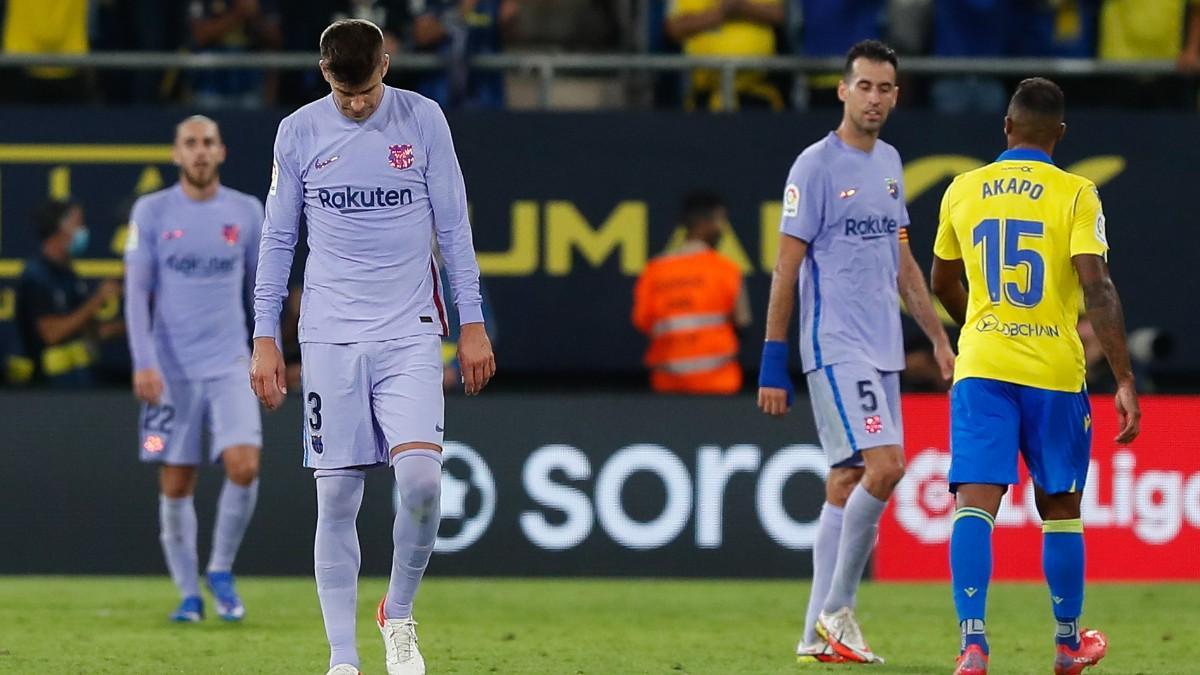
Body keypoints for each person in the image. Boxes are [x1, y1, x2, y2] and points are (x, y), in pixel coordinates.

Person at [249, 19, 495, 675]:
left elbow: (454, 225)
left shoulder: (424, 120)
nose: (356, 103)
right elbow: (277, 241)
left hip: (410, 328)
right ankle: (342, 658)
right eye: (342, 89)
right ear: (324, 71)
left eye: (365, 88)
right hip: (328, 334)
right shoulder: (299, 131)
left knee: (421, 482)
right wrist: (264, 337)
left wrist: (471, 321)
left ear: (385, 63)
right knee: (337, 500)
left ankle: (399, 613)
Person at [931, 77, 1141, 675]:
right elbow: (1096, 285)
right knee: (1061, 508)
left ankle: (973, 645)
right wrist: (1123, 377)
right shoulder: (1077, 193)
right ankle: (1068, 645)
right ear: (1061, 135)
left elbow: (943, 279)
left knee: (975, 505)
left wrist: (979, 322)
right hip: (1053, 368)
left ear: (1006, 127)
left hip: (983, 367)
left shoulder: (962, 190)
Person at [756, 40, 955, 665]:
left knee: (846, 479)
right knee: (887, 465)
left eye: (885, 88)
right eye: (864, 86)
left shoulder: (891, 162)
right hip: (835, 342)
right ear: (842, 90)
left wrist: (940, 337)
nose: (874, 98)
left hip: (883, 348)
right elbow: (785, 270)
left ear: (896, 96)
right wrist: (772, 359)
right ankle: (840, 611)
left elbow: (901, 263)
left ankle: (815, 633)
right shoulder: (814, 167)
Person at [123, 115, 265, 624]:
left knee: (244, 465)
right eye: (190, 144)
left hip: (230, 364)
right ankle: (188, 594)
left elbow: (261, 290)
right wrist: (144, 363)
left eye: (208, 143)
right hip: (169, 373)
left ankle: (220, 570)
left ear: (221, 152)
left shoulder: (247, 212)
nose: (200, 152)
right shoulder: (152, 211)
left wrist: (268, 352)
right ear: (176, 154)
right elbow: (136, 294)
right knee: (176, 480)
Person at [632, 190, 750, 394]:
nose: (722, 229)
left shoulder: (655, 270)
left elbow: (642, 320)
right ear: (705, 224)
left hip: (667, 383)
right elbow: (743, 322)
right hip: (719, 383)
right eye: (720, 221)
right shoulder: (726, 270)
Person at [16, 200, 122, 385]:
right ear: (60, 228)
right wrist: (98, 299)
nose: (83, 231)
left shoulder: (70, 276)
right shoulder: (36, 276)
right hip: (48, 390)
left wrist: (137, 325)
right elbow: (52, 334)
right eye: (78, 224)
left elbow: (88, 333)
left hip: (81, 382)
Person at [665, 0, 786, 111]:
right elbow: (674, 28)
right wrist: (721, 12)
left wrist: (741, 6)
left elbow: (780, 14)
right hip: (705, 99)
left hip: (757, 96)